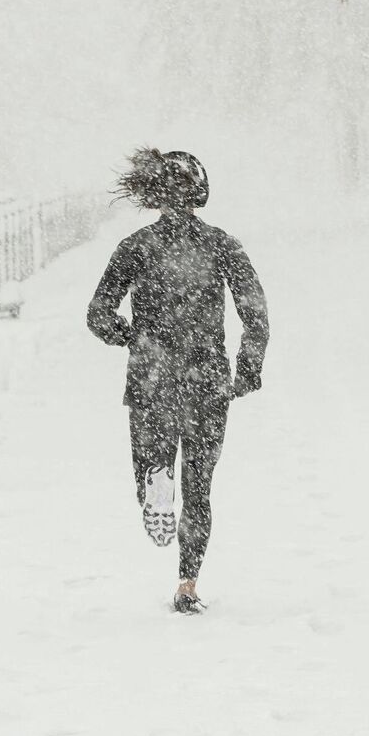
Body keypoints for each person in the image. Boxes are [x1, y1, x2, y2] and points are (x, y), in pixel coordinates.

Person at [86, 148, 269, 615]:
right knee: (201, 486)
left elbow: (98, 314)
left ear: (152, 194)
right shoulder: (222, 245)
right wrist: (247, 369)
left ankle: (154, 480)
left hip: (152, 377)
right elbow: (255, 314)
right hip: (207, 378)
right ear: (199, 192)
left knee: (150, 468)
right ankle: (187, 584)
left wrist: (132, 336)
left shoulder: (134, 247)